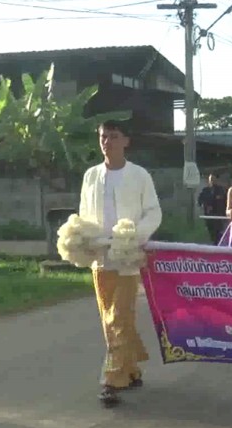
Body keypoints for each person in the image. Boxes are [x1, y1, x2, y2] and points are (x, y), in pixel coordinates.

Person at [78, 120, 162, 408]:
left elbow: (153, 212)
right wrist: (83, 239)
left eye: (113, 137)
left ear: (126, 141)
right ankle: (131, 369)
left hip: (127, 259)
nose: (107, 142)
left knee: (119, 317)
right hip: (101, 260)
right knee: (111, 319)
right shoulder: (91, 176)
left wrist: (134, 237)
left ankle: (111, 381)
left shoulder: (139, 176)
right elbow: (84, 214)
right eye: (103, 136)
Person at [198, 173, 227, 243]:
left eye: (213, 179)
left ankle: (218, 245)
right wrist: (204, 205)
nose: (212, 181)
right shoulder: (205, 190)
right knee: (211, 233)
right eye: (211, 180)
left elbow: (225, 201)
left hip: (219, 215)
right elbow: (200, 200)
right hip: (209, 216)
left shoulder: (221, 190)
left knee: (218, 233)